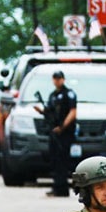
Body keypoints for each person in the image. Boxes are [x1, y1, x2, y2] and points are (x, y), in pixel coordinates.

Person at [34, 70, 77, 198]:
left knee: (62, 160)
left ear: (63, 79)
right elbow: (49, 112)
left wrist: (62, 126)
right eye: (55, 79)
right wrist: (41, 111)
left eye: (59, 79)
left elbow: (73, 112)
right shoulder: (53, 95)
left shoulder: (68, 94)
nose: (57, 81)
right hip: (54, 132)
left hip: (65, 132)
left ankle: (62, 188)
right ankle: (57, 187)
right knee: (54, 160)